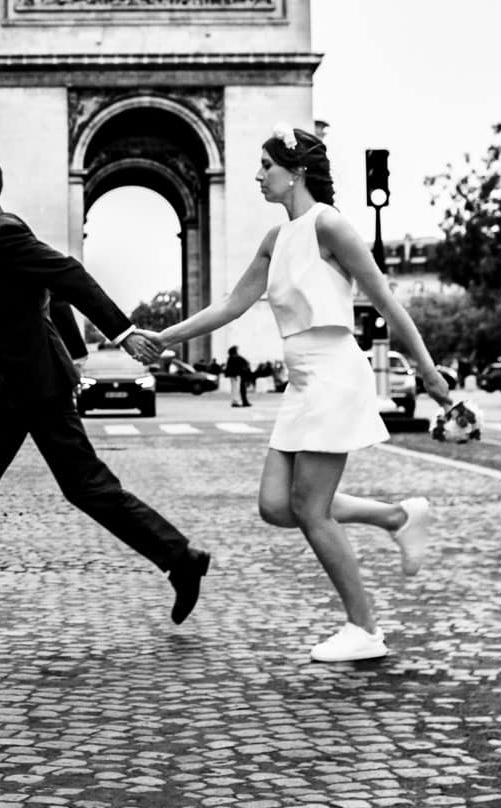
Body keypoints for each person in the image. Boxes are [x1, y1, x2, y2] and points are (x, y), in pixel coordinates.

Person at [135, 125, 457, 664]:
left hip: (333, 373)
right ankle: (396, 518)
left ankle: (365, 629)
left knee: (310, 509)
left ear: (296, 172)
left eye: (266, 165)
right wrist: (164, 338)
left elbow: (387, 302)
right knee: (275, 506)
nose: (258, 175)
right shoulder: (275, 238)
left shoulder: (329, 224)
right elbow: (231, 307)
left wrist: (428, 373)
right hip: (302, 381)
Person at [0, 152, 210, 638]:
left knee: (87, 487)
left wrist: (121, 332)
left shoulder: (3, 232)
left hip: (36, 385)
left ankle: (181, 559)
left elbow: (67, 272)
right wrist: (74, 351)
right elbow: (48, 293)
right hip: (17, 384)